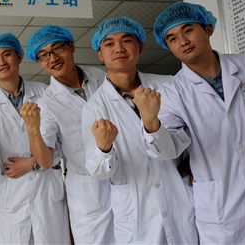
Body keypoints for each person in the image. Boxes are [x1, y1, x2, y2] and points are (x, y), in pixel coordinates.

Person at [81, 16, 198, 244]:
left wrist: (192, 161)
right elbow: (98, 171)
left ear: (140, 47)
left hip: (179, 198)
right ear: (100, 53)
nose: (119, 49)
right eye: (109, 44)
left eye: (127, 40)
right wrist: (103, 148)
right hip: (136, 211)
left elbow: (194, 133)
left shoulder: (168, 85)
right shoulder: (94, 107)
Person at [142, 1, 245, 243]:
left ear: (208, 29)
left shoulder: (244, 66)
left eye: (188, 30)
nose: (183, 41)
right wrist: (151, 123)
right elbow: (170, 148)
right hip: (222, 207)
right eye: (172, 38)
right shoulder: (172, 93)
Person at [0, 32, 70, 244]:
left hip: (45, 189)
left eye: (7, 54)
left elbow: (63, 144)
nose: (1, 62)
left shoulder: (45, 93)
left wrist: (34, 163)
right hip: (12, 194)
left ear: (19, 57)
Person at [25, 26, 114, 244]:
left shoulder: (101, 77)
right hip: (89, 190)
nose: (52, 58)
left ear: (72, 47)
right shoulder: (46, 104)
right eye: (43, 55)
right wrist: (33, 129)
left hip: (125, 175)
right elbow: (45, 161)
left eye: (58, 49)